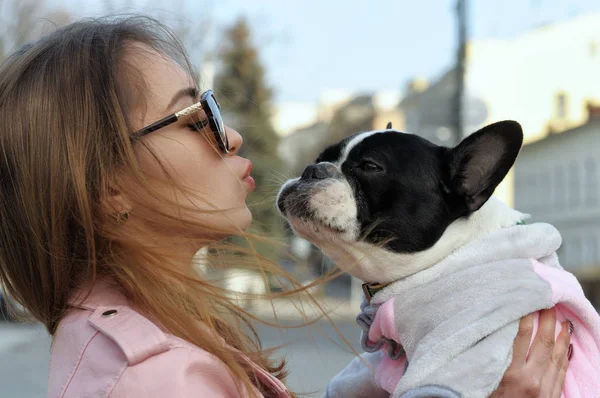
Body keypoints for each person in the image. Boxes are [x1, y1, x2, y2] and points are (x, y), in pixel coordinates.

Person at [0, 16, 572, 397]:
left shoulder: (155, 333)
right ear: (106, 188)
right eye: (197, 119)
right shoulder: (154, 375)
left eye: (214, 108)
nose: (232, 137)